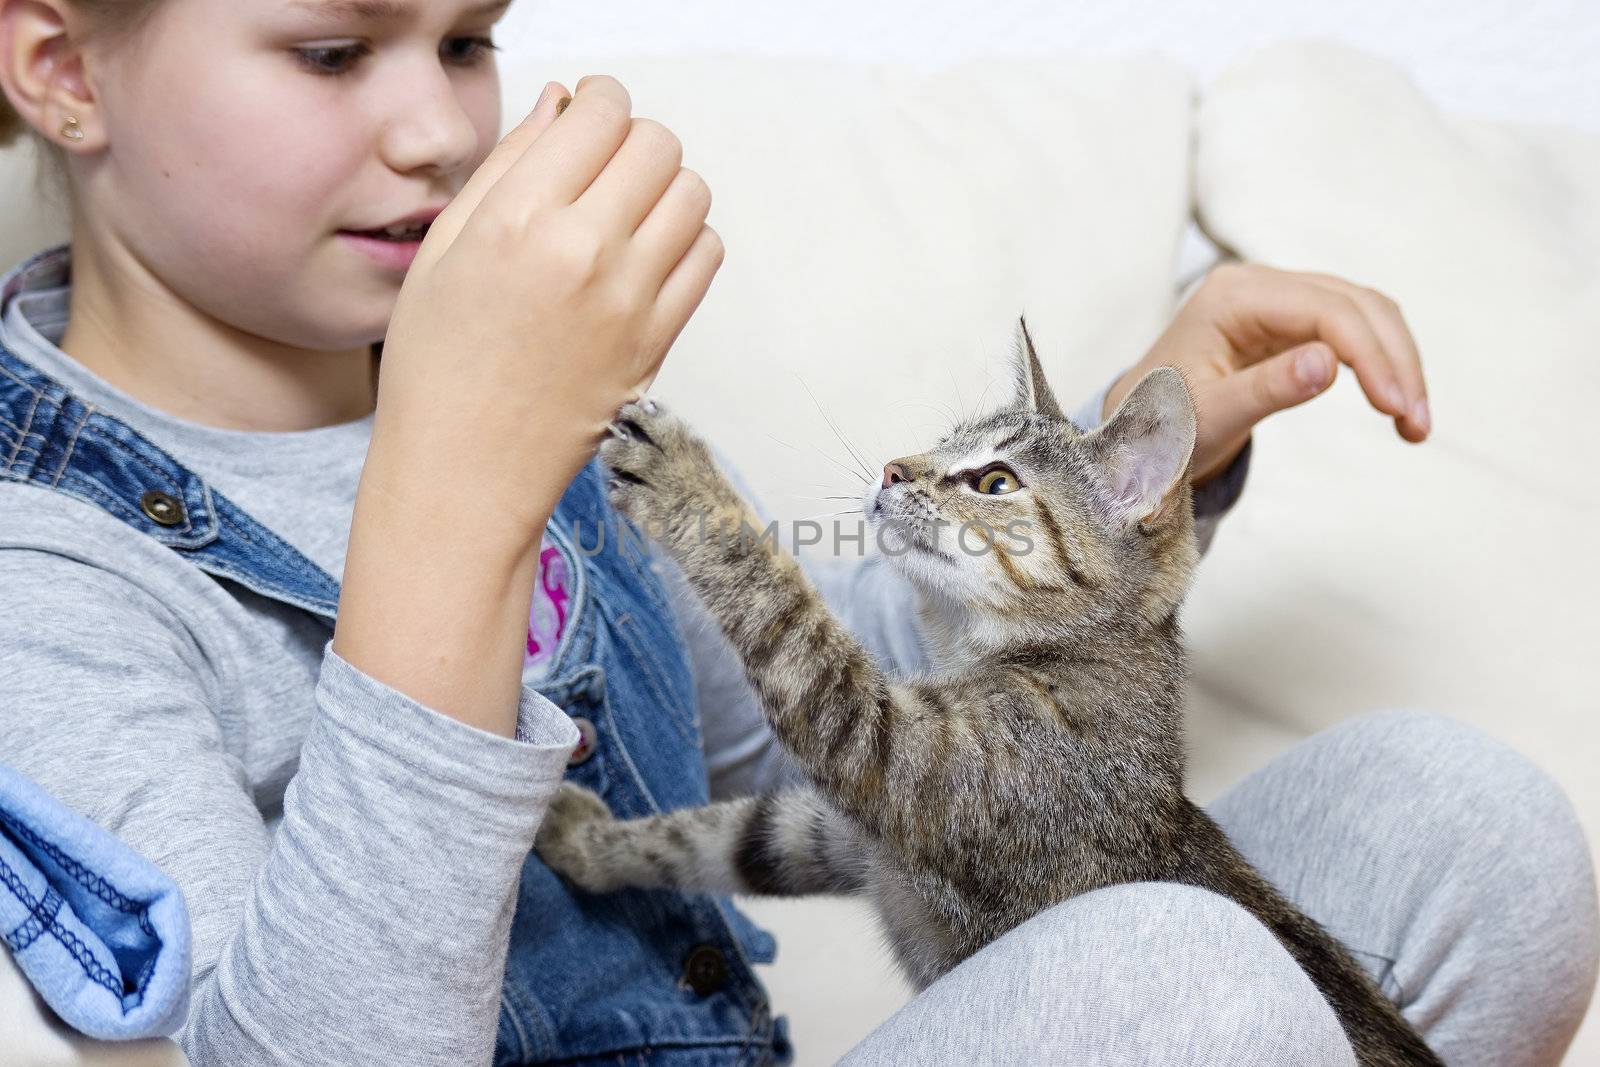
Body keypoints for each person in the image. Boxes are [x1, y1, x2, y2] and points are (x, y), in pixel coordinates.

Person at [0, 1, 1593, 1065]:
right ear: (63, 71)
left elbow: (797, 745)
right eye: (338, 47)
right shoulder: (47, 570)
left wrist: (1105, 505)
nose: (439, 129)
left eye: (468, 35)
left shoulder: (509, 370)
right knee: (1189, 985)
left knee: (1470, 829)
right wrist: (450, 492)